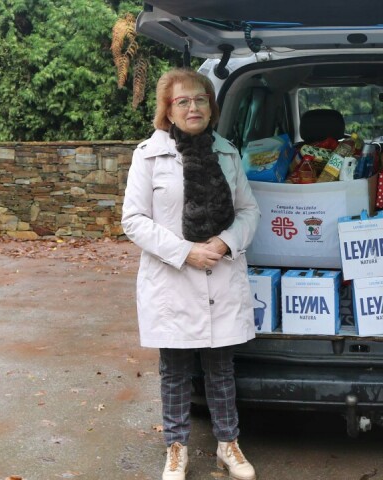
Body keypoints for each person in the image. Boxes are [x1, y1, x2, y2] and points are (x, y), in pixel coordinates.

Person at [121, 68, 260, 480]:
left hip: (219, 273)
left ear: (211, 107)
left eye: (200, 99)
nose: (193, 107)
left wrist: (224, 243)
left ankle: (227, 445)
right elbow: (133, 220)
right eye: (182, 101)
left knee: (221, 367)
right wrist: (186, 253)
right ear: (168, 109)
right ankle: (176, 448)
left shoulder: (228, 152)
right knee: (176, 369)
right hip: (173, 281)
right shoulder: (148, 154)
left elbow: (249, 210)